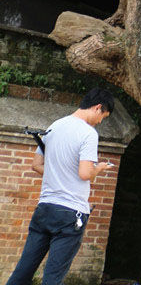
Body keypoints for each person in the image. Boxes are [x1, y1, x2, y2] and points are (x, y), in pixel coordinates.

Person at [6, 86, 116, 285]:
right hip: (70, 214)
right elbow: (85, 173)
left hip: (45, 208)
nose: (100, 122)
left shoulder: (55, 126)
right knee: (53, 278)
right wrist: (99, 168)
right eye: (103, 117)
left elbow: (36, 165)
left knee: (22, 272)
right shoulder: (88, 133)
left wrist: (61, 172)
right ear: (98, 107)